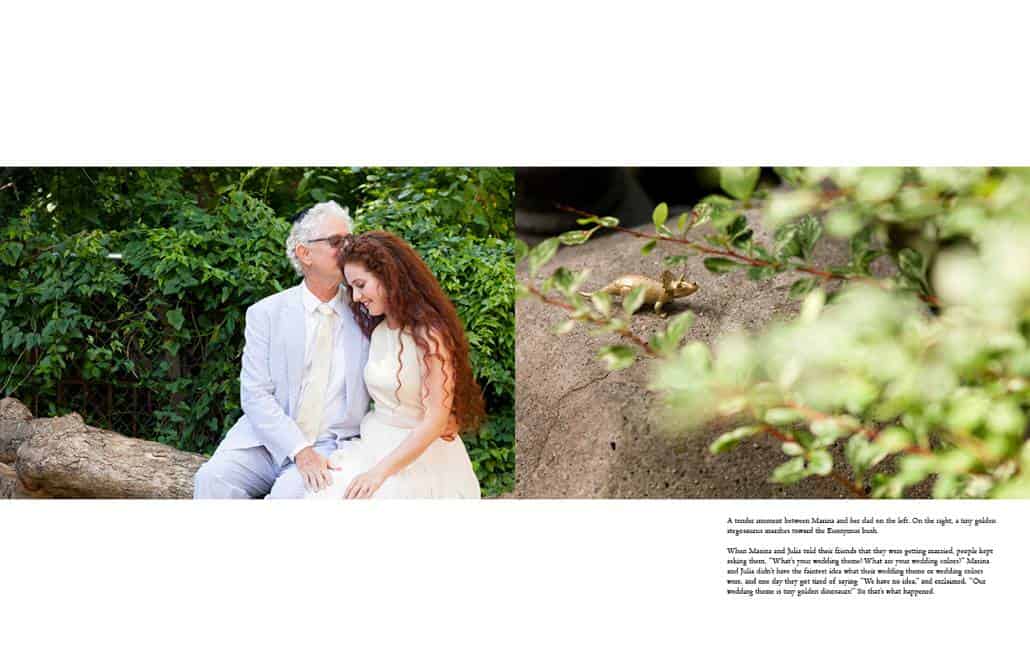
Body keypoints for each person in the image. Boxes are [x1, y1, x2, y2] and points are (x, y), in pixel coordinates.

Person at [193, 202, 370, 498]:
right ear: (304, 253)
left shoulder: (365, 312)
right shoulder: (266, 313)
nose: (348, 249)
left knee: (288, 497)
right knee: (212, 480)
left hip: (331, 443)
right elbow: (255, 394)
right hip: (264, 442)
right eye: (336, 242)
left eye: (350, 240)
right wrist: (299, 450)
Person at [307, 231, 484, 499]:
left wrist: (378, 474)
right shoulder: (378, 331)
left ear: (388, 277)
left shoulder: (429, 334)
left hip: (417, 455)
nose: (355, 297)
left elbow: (437, 419)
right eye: (351, 287)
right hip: (373, 441)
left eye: (361, 284)